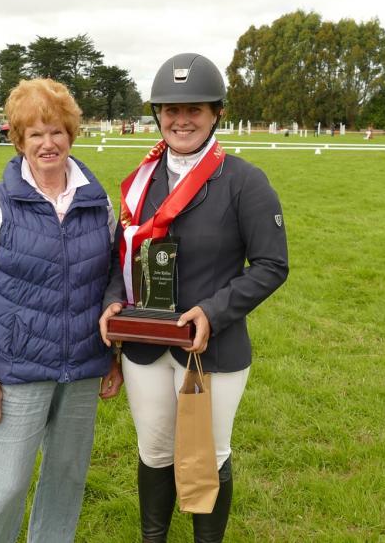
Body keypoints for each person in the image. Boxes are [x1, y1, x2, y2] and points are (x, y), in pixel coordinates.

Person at [99, 53, 289, 543]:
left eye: (195, 110)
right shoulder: (144, 179)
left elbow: (272, 265)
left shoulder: (245, 181)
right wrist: (114, 300)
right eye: (171, 110)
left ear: (216, 114)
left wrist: (213, 310)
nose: (181, 120)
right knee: (155, 449)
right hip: (145, 345)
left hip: (211, 349)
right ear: (158, 114)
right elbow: (123, 252)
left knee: (208, 453)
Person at [0, 77, 122, 542]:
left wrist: (114, 355)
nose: (48, 144)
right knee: (6, 486)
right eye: (35, 134)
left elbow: (111, 276)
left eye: (57, 132)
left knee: (66, 480)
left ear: (71, 133)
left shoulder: (96, 200)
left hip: (84, 366)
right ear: (18, 140)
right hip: (19, 369)